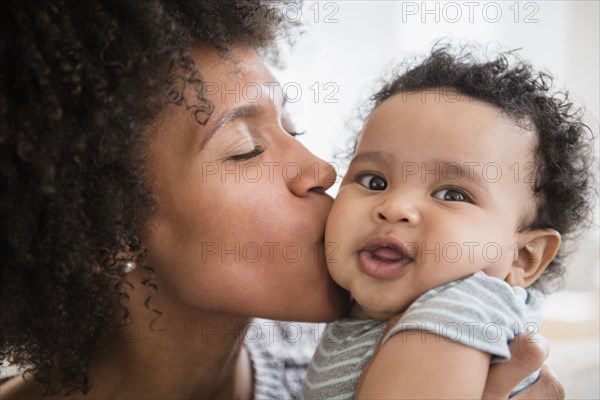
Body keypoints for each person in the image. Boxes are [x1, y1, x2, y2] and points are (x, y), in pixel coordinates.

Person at [0, 1, 565, 399]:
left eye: (293, 127)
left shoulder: (392, 333)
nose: (322, 170)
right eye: (245, 149)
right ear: (107, 231)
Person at [302, 45, 594, 399]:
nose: (395, 207)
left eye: (452, 195)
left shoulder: (456, 310)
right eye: (374, 182)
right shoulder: (367, 316)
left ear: (523, 256)